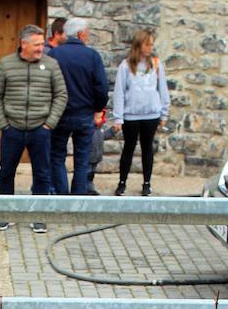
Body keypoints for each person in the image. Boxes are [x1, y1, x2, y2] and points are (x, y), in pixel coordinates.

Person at [0, 24, 67, 235]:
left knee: (42, 174)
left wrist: (49, 124)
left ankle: (38, 216)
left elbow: (61, 95)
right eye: (37, 44)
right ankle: (5, 214)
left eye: (42, 43)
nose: (41, 47)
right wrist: (3, 124)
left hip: (40, 130)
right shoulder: (6, 64)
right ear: (23, 44)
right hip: (12, 129)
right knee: (6, 172)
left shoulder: (51, 65)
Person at [49, 18, 109, 196]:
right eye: (87, 33)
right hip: (84, 114)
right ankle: (77, 197)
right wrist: (98, 109)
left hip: (59, 114)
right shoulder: (92, 56)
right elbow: (102, 87)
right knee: (82, 158)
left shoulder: (54, 55)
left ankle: (61, 196)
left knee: (57, 156)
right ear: (81, 33)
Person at [112, 28, 170, 197]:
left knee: (147, 149)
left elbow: (162, 89)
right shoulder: (126, 66)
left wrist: (164, 113)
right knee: (128, 149)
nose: (150, 47)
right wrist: (118, 116)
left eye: (152, 44)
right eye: (147, 44)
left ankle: (146, 183)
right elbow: (119, 92)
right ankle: (122, 182)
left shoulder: (156, 65)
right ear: (139, 45)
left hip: (150, 114)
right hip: (131, 115)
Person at [86, 110, 118, 195]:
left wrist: (113, 131)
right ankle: (87, 188)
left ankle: (89, 186)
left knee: (91, 173)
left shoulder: (101, 128)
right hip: (88, 156)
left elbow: (105, 136)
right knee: (87, 173)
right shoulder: (88, 128)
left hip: (96, 157)